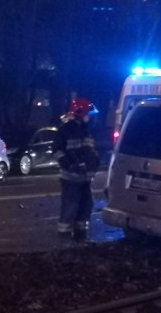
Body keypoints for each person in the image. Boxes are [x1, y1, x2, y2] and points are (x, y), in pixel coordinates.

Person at [53, 98, 100, 242]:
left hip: (85, 178)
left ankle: (81, 237)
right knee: (70, 207)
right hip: (71, 177)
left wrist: (93, 165)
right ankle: (64, 239)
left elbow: (89, 152)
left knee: (86, 206)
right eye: (88, 113)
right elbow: (57, 151)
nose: (90, 117)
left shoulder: (86, 131)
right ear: (80, 113)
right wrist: (70, 165)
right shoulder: (66, 130)